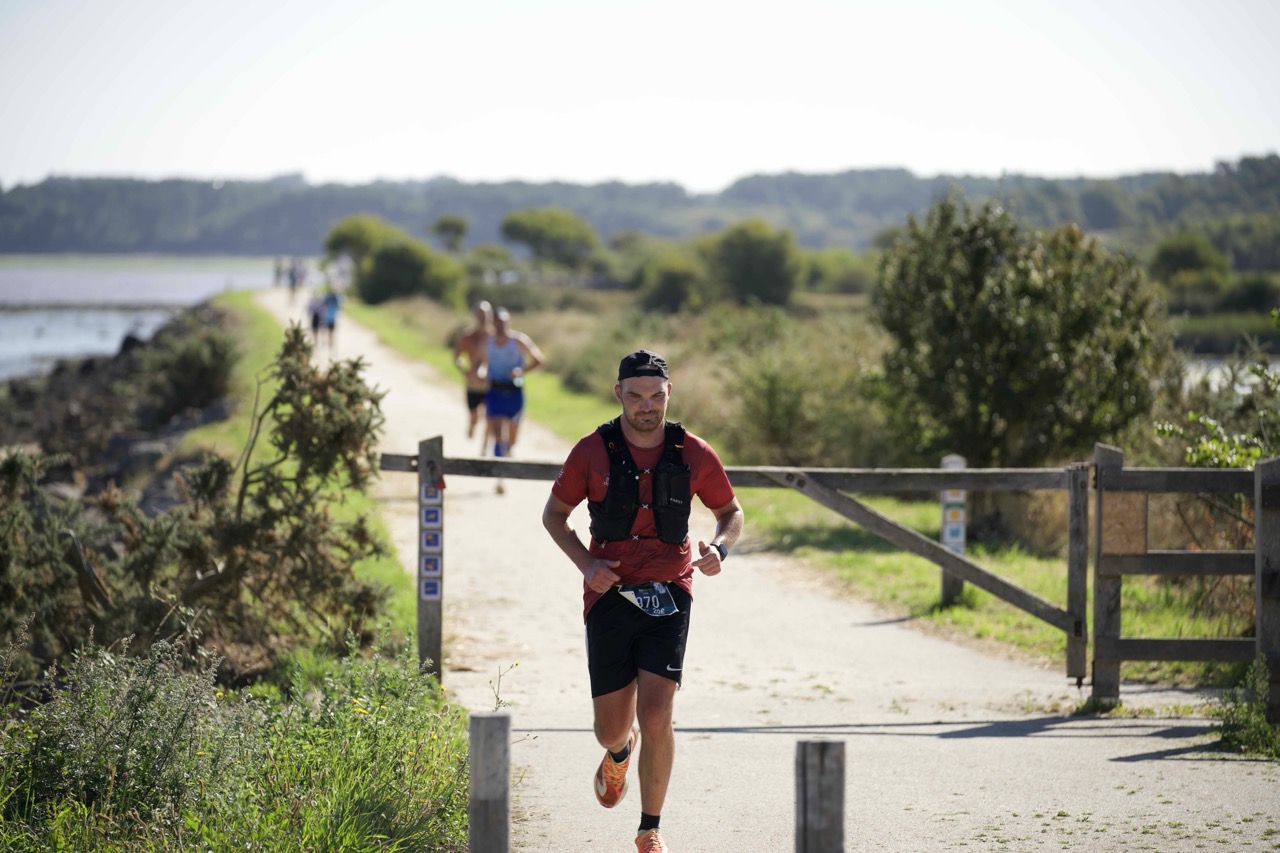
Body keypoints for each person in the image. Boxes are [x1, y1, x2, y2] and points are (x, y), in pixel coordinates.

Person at [541, 349, 745, 853]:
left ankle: (649, 829)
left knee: (657, 714)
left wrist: (720, 548)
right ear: (619, 394)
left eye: (656, 396)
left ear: (668, 393)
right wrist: (586, 564)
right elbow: (554, 515)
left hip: (670, 592)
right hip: (608, 593)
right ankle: (619, 750)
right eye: (636, 396)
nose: (647, 406)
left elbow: (731, 511)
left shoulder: (693, 451)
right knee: (610, 728)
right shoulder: (592, 451)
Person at [483, 307, 544, 492]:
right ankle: (500, 478)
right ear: (493, 323)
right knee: (497, 437)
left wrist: (521, 370)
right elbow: (479, 361)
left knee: (511, 440)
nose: (500, 326)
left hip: (514, 394)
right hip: (494, 392)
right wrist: (479, 372)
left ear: (508, 323)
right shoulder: (487, 342)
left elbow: (539, 359)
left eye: (503, 323)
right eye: (497, 323)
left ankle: (507, 452)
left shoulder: (518, 341)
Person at [452, 300, 493, 441]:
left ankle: (485, 446)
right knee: (474, 415)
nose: (483, 317)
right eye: (480, 314)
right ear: (475, 315)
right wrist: (465, 370)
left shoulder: (494, 336)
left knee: (490, 417)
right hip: (473, 383)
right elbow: (457, 357)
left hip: (491, 383)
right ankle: (472, 425)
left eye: (485, 314)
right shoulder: (467, 336)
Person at [321, 286, 342, 352]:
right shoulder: (334, 299)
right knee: (330, 332)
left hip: (330, 318)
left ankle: (330, 344)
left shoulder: (332, 299)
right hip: (330, 318)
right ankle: (330, 344)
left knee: (329, 332)